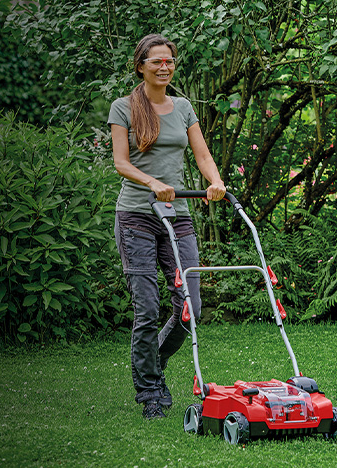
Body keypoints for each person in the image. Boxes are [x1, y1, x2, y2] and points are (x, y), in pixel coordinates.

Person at [108, 34, 226, 419]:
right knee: (146, 310)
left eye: (169, 61)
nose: (164, 67)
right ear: (141, 65)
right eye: (156, 61)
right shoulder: (123, 107)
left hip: (177, 217)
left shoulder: (184, 107)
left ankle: (151, 364)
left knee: (190, 307)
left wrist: (216, 181)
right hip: (136, 218)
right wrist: (153, 183)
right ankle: (150, 393)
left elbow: (202, 153)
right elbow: (122, 163)